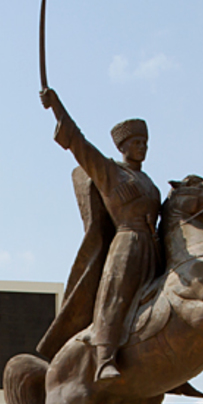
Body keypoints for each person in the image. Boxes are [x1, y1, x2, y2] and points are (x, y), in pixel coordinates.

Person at [37, 87, 161, 384]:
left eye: (145, 142)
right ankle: (104, 358)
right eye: (136, 143)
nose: (142, 147)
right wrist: (56, 106)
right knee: (114, 296)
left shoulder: (148, 181)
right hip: (127, 242)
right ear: (123, 147)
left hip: (154, 245)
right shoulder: (110, 172)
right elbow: (78, 142)